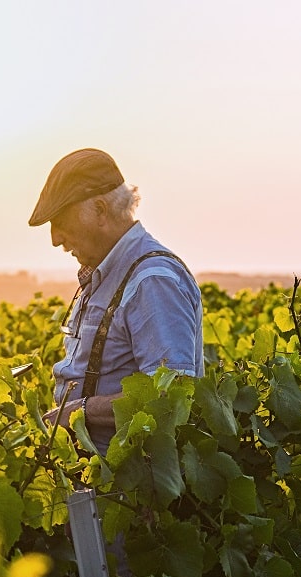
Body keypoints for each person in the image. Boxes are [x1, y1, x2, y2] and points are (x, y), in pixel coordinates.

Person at [30, 148, 204, 453]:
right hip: (96, 476)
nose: (55, 238)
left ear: (99, 210)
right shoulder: (106, 273)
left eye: (60, 220)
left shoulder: (152, 280)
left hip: (129, 489)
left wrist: (78, 411)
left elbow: (172, 395)